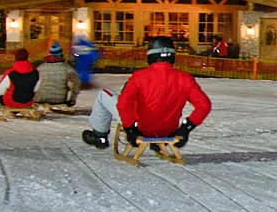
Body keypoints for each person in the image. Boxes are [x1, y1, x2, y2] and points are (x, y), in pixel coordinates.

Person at [81, 36, 211, 149]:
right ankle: (157, 140)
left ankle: (100, 136)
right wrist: (185, 129)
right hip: (168, 129)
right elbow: (204, 105)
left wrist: (130, 128)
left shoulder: (139, 77)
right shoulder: (185, 78)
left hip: (140, 128)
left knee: (105, 94)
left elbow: (123, 104)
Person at [34, 40, 81, 107]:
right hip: (59, 99)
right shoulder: (67, 68)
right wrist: (72, 99)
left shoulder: (41, 67)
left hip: (41, 98)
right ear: (61, 54)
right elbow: (77, 83)